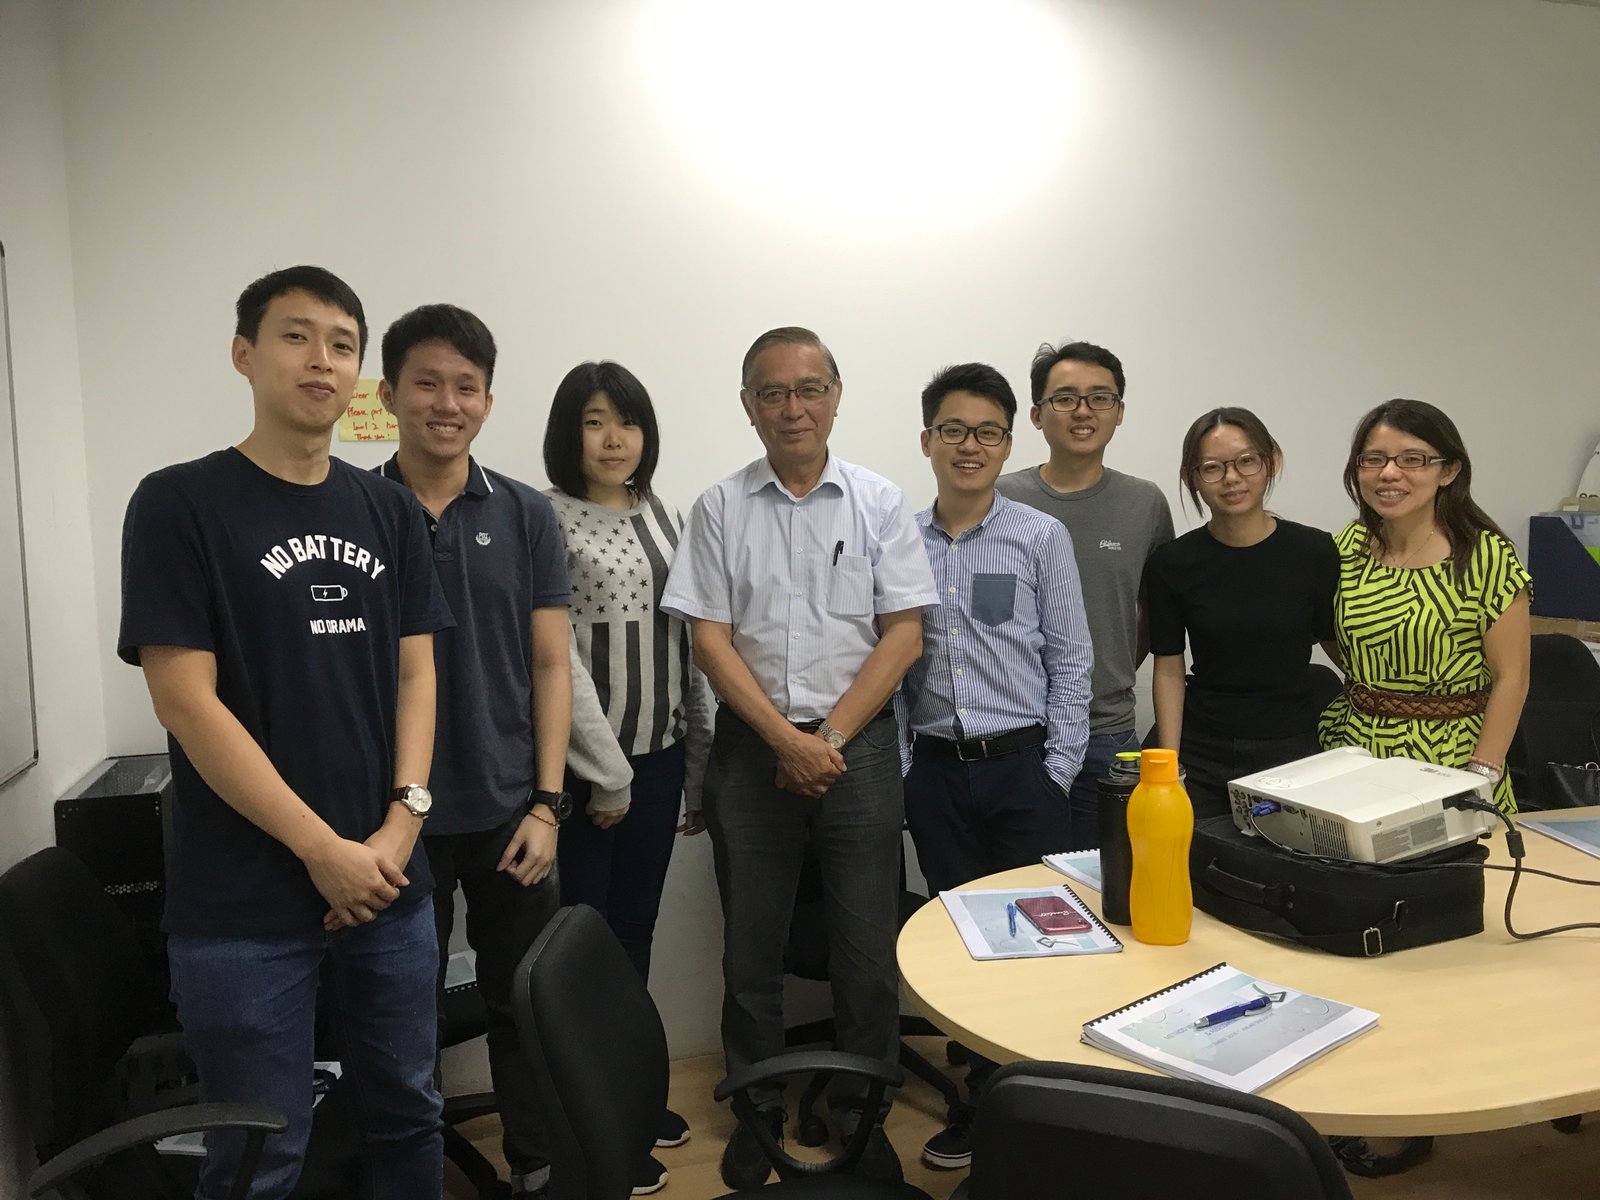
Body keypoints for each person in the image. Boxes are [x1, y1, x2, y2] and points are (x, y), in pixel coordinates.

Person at [118, 266, 451, 1198]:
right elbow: (186, 702)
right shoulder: (179, 503)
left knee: (409, 1115)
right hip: (244, 906)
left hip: (389, 884)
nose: (322, 361)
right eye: (297, 336)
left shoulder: (388, 508)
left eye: (343, 345)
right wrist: (320, 851)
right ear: (244, 354)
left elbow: (417, 674)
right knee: (259, 1158)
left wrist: (401, 825)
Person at [661, 327, 937, 1189]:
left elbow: (904, 635)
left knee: (867, 951)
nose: (793, 408)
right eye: (773, 392)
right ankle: (758, 1111)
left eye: (810, 388)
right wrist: (785, 741)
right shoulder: (718, 507)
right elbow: (709, 640)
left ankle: (861, 1117)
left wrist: (827, 741)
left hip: (859, 746)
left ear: (836, 396)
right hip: (754, 750)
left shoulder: (879, 502)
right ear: (749, 406)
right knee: (751, 950)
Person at [374, 303, 585, 1199]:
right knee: (398, 1016)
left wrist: (548, 804)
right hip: (392, 822)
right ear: (389, 394)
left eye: (466, 386)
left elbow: (550, 664)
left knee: (525, 1005)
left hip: (510, 812)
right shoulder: (355, 509)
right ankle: (410, 1175)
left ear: (489, 402)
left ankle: (536, 1166)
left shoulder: (526, 512)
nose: (447, 403)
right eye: (426, 383)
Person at [1317, 398, 1531, 1179]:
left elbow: (1512, 678)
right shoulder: (1344, 549)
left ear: (1448, 470)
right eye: (1375, 458)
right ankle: (1360, 1093)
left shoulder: (1486, 556)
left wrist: (1481, 779)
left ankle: (1414, 1115)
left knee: (1427, 951)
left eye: (1412, 458)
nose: (1391, 473)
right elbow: (1334, 639)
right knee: (1352, 942)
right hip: (1354, 755)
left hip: (1451, 764)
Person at [897, 362, 1092, 1169]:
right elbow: (891, 665)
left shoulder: (1040, 537)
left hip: (1023, 768)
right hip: (937, 774)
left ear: (1009, 444)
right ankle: (985, 1106)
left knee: (1040, 943)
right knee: (965, 946)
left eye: (987, 432)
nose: (969, 446)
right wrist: (906, 768)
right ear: (927, 441)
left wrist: (1057, 769)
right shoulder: (898, 541)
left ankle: (1049, 1112)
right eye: (953, 430)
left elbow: (1071, 659)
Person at [542, 359, 714, 1190]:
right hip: (586, 774)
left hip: (661, 759)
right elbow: (558, 661)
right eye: (594, 421)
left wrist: (697, 765)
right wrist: (607, 775)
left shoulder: (665, 515)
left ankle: (630, 1097)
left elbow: (689, 645)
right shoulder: (546, 519)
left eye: (629, 421)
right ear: (567, 433)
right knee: (582, 945)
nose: (614, 439)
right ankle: (591, 1124)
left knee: (635, 931)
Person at [996, 340, 1174, 849]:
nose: (1083, 411)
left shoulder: (1144, 503)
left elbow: (1155, 613)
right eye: (1065, 398)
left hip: (1106, 733)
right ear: (1036, 414)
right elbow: (984, 613)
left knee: (1104, 882)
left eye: (1100, 398)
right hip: (1016, 733)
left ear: (1119, 412)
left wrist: (1108, 669)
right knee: (1015, 882)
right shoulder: (1000, 497)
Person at [1145, 408, 1338, 818]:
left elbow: (1335, 641)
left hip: (1295, 746)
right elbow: (1169, 667)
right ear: (1192, 478)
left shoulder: (1314, 551)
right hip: (1205, 747)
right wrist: (1170, 767)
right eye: (1212, 468)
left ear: (1272, 462)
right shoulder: (1172, 563)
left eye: (1246, 461)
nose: (1232, 478)